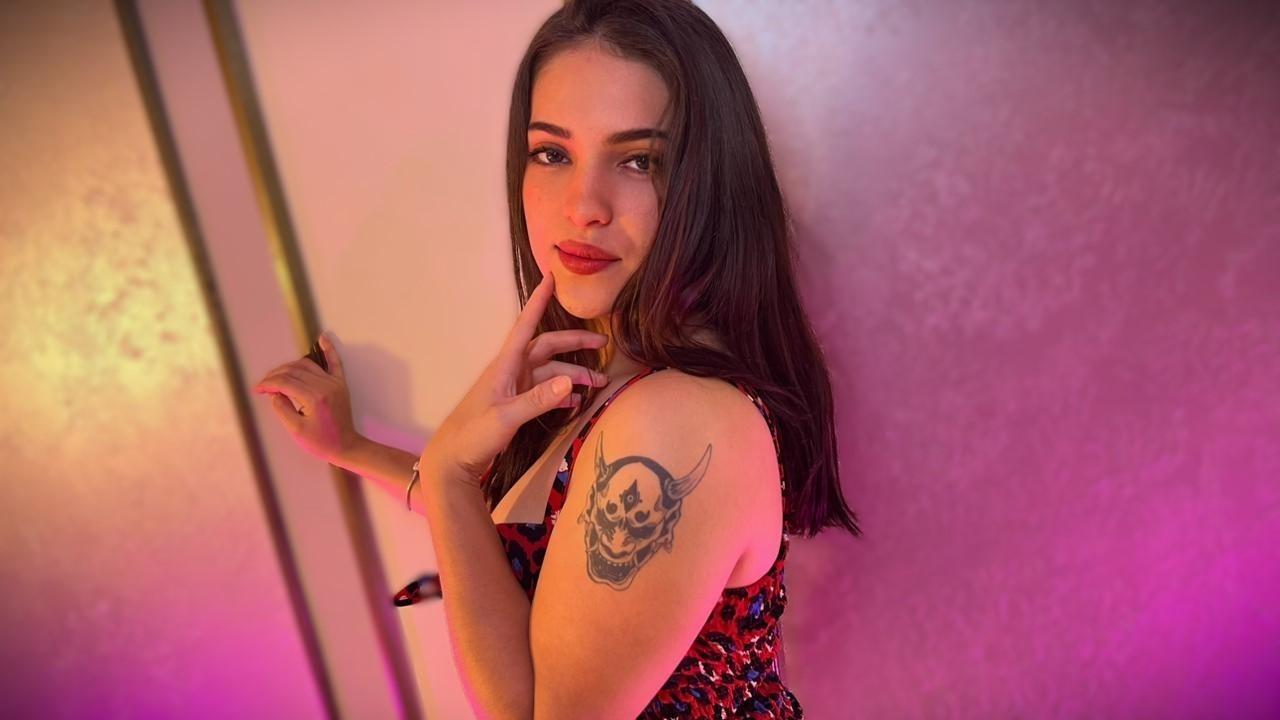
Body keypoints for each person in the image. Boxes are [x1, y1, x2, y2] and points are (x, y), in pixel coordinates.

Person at [252, 0, 861, 717]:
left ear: (710, 181)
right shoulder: (614, 380)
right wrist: (353, 448)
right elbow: (505, 531)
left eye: (638, 160)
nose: (583, 206)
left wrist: (449, 474)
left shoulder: (678, 418)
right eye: (552, 154)